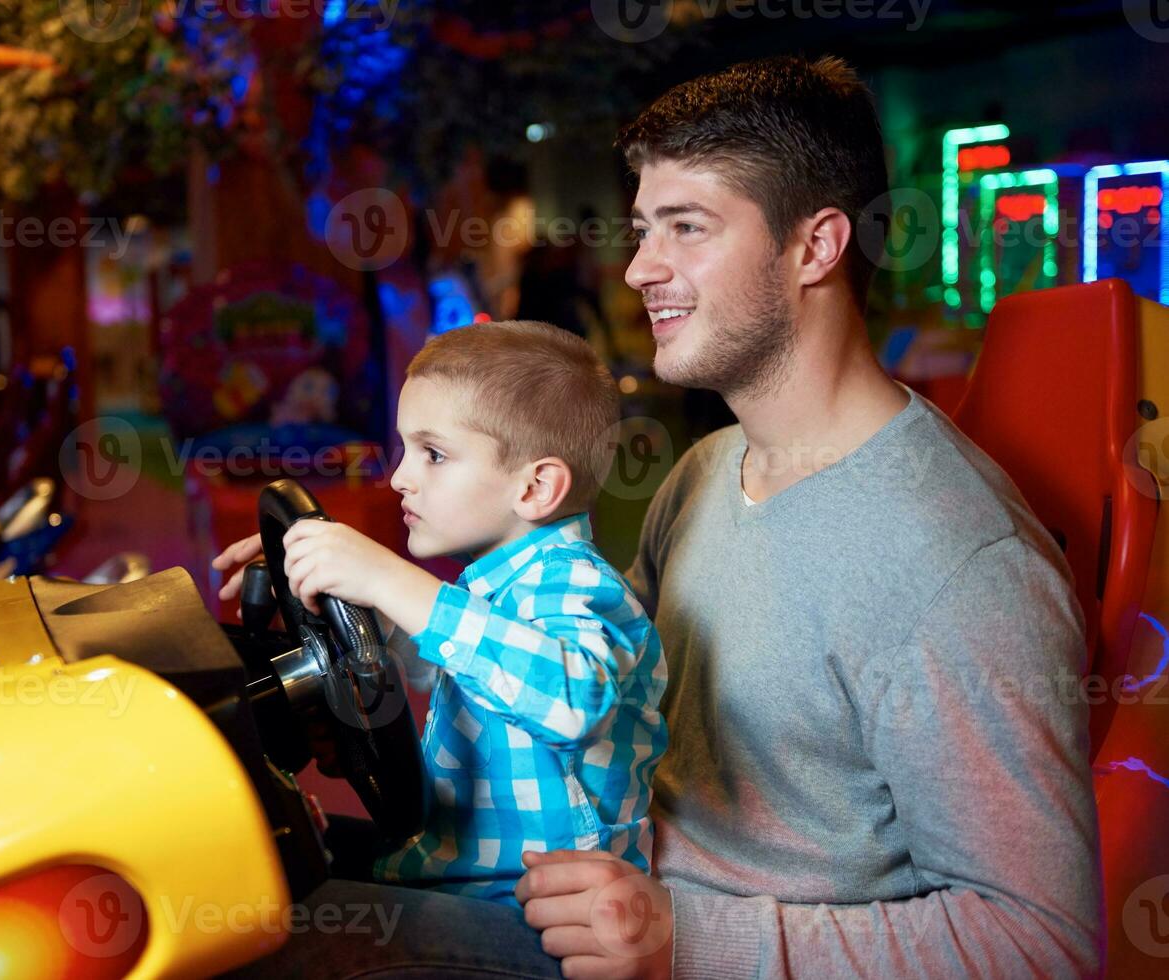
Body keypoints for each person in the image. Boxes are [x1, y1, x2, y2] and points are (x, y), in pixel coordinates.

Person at [219, 56, 1101, 979]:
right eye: (644, 229)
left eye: (686, 228)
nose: (640, 268)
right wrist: (363, 651)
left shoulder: (957, 563)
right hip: (575, 891)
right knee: (254, 879)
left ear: (817, 247)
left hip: (670, 952)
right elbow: (582, 681)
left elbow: (1038, 942)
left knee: (266, 952)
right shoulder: (707, 472)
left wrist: (684, 939)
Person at [216, 320, 667, 907]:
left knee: (275, 933)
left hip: (525, 921)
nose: (400, 478)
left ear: (534, 490)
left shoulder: (574, 585)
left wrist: (386, 576)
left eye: (433, 454)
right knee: (257, 854)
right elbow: (453, 665)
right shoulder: (497, 588)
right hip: (448, 870)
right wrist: (354, 614)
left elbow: (574, 701)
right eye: (406, 449)